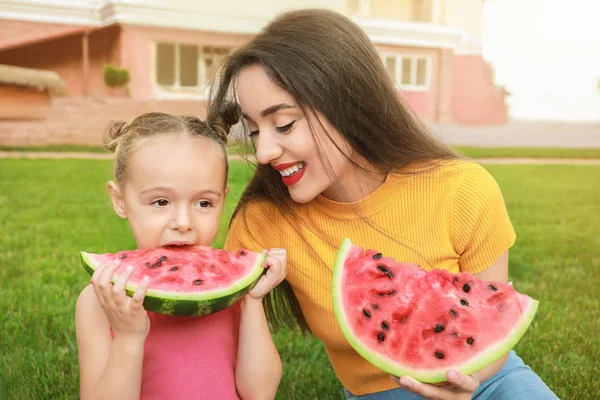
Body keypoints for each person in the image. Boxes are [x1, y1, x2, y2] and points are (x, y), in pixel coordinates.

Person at [208, 8, 558, 400]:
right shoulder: (264, 222)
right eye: (254, 130)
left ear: (346, 103)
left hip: (490, 382)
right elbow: (217, 350)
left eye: (285, 124)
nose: (265, 151)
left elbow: (490, 320)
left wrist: (466, 381)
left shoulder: (463, 189)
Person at [75, 111, 285, 399]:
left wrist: (252, 300)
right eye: (161, 201)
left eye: (203, 202)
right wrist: (128, 337)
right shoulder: (99, 301)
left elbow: (259, 392)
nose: (183, 221)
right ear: (120, 200)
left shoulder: (236, 294)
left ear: (222, 200)